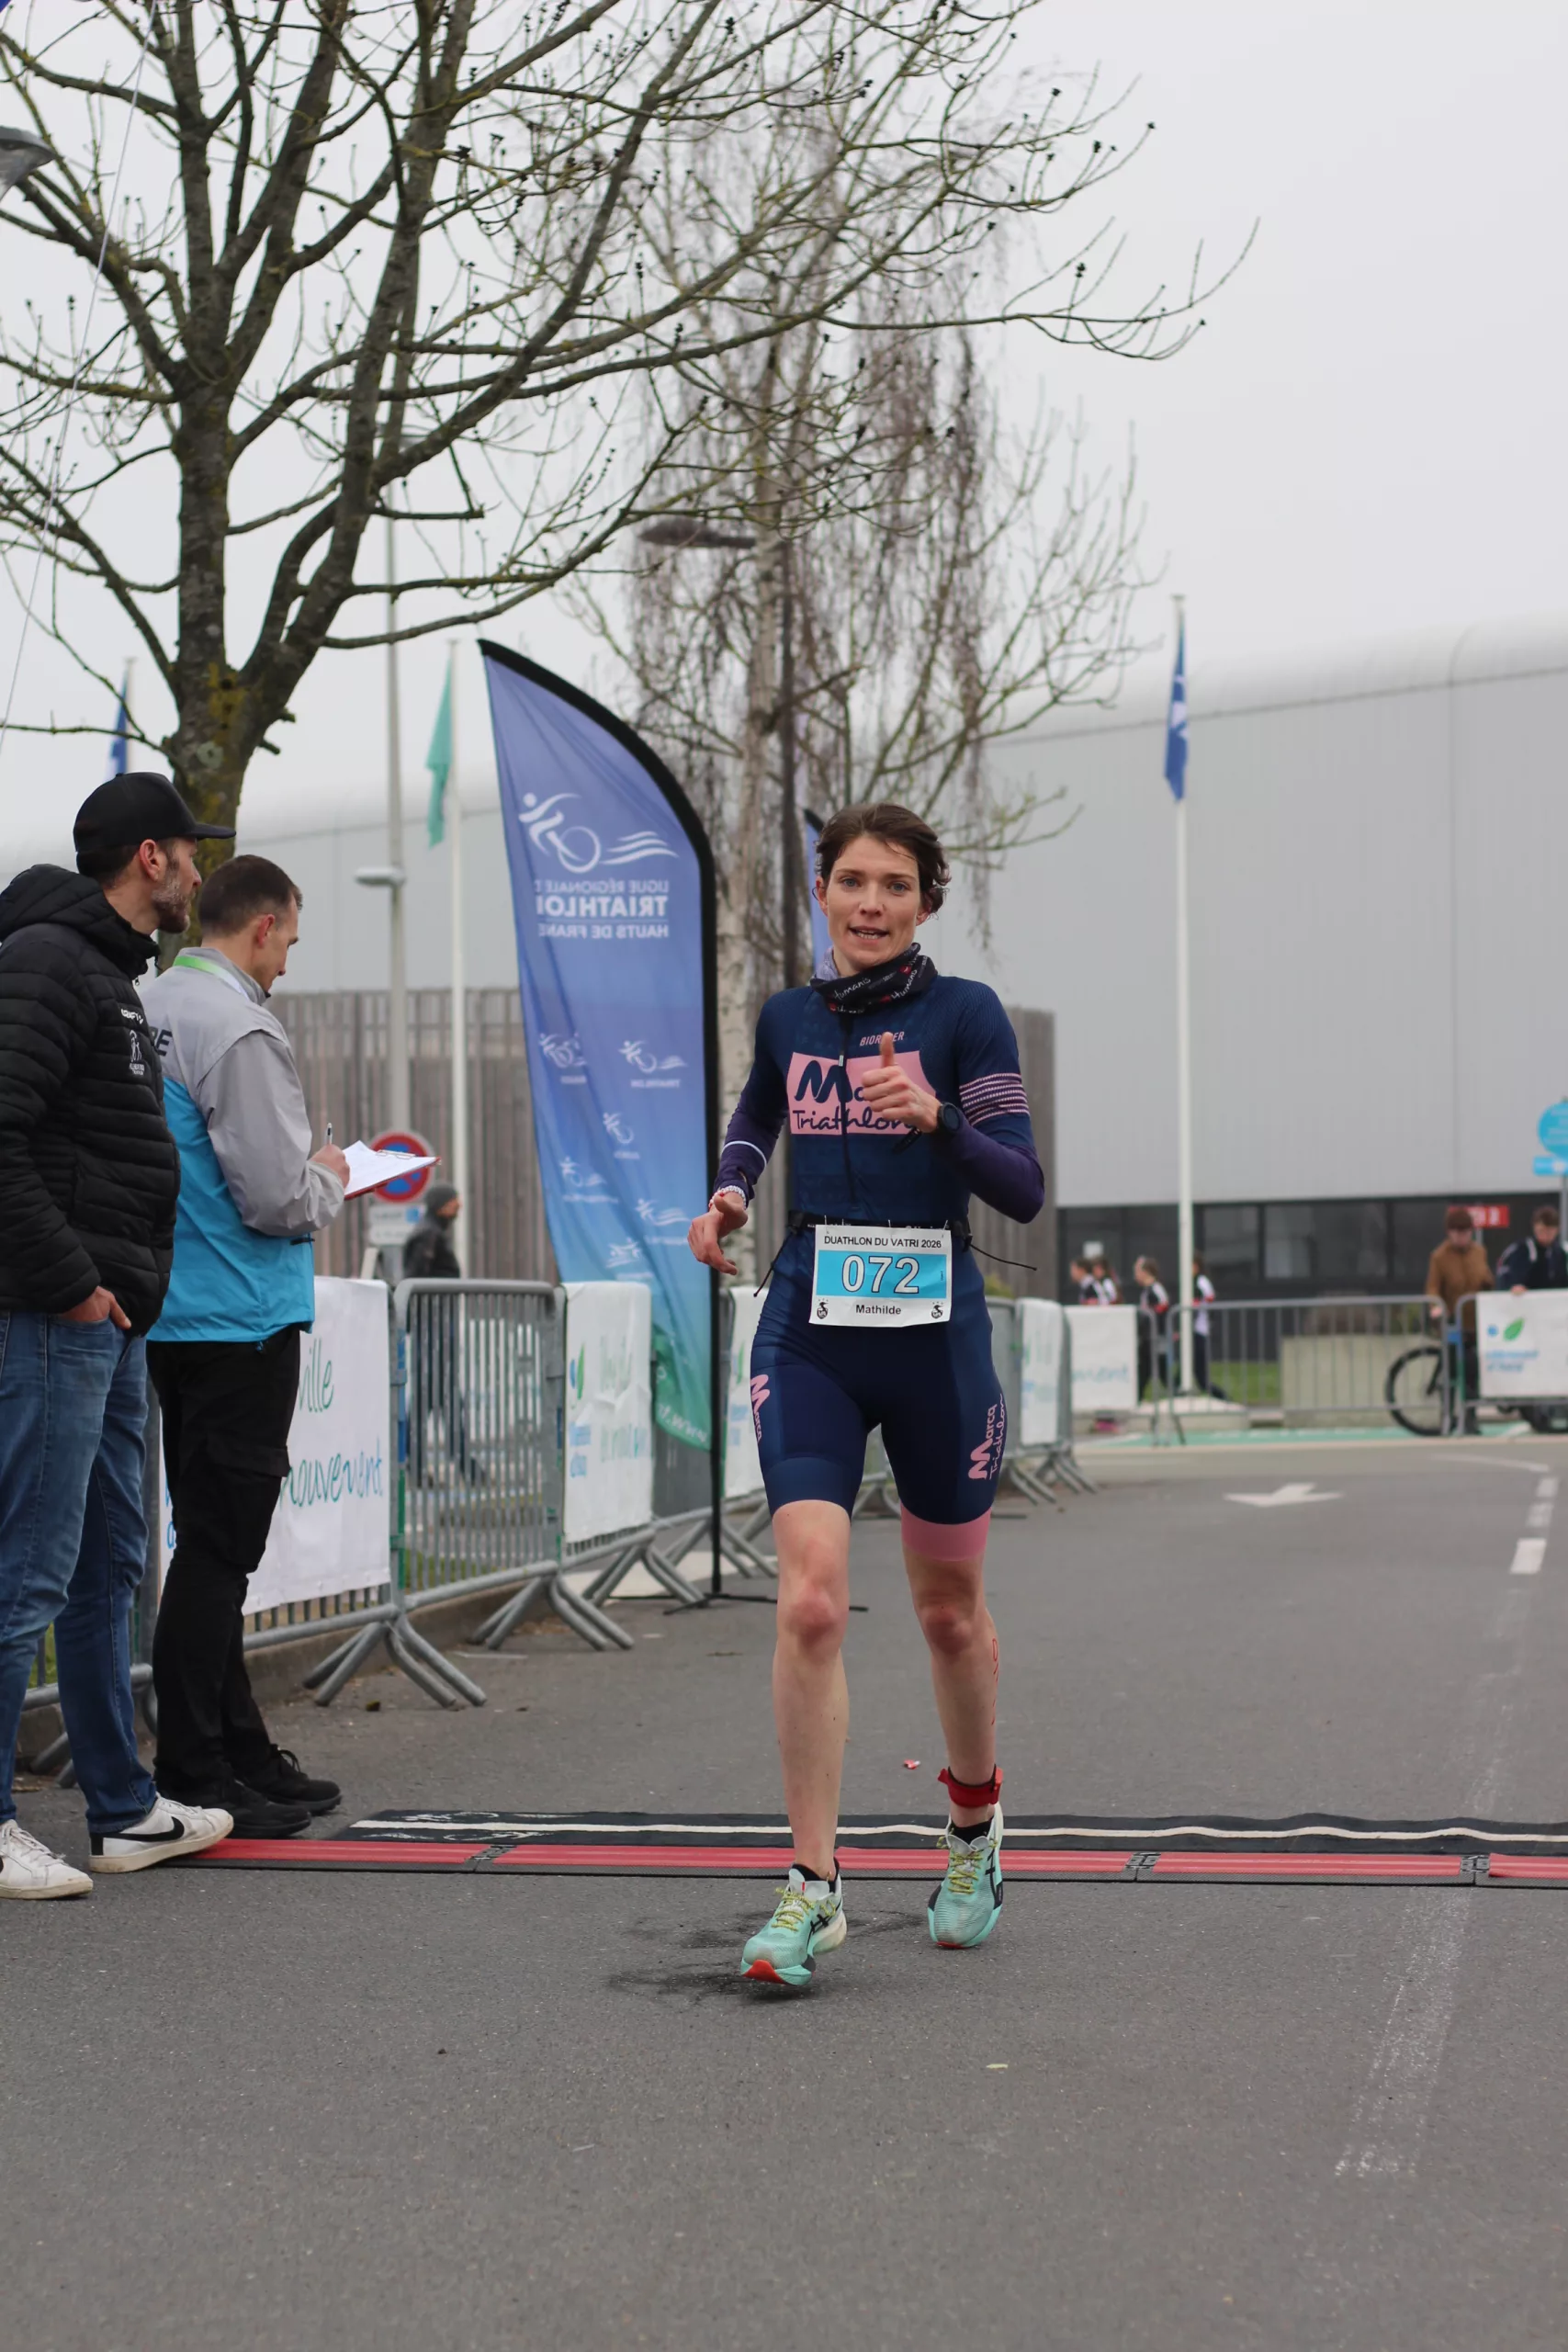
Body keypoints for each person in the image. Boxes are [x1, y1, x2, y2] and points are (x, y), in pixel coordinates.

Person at [687, 800, 1043, 1987]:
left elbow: (1023, 1187)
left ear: (926, 903)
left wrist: (936, 1119)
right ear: (823, 893)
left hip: (935, 1334)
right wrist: (731, 1193)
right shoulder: (788, 1016)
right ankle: (812, 1885)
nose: (871, 903)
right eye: (851, 881)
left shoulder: (964, 1015)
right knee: (808, 1604)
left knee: (948, 1615)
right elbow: (757, 1112)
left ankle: (973, 1827)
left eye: (895, 885)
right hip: (811, 1330)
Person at [0, 775, 238, 1897]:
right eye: (190, 851)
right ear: (151, 857)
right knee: (28, 1571)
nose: (198, 870)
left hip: (109, 1320)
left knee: (107, 1567)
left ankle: (122, 1807)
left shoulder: (112, 975)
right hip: (58, 1317)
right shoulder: (51, 962)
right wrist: (74, 1287)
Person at [141, 855, 348, 1838]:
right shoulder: (240, 1026)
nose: (288, 964)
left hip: (171, 1309)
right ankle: (196, 1767)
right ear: (262, 926)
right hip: (242, 1314)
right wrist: (332, 1173)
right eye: (290, 941)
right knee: (221, 1552)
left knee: (204, 1545)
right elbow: (274, 1197)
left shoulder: (147, 1002)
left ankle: (236, 1747)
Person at [403, 1184, 482, 1483]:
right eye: (453, 1201)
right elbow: (414, 1280)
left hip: (433, 1327)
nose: (459, 1205)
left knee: (434, 1399)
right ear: (441, 1205)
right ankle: (453, 1465)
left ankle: (435, 1465)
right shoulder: (428, 1235)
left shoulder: (429, 1233)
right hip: (432, 1328)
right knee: (436, 1397)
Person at [1495, 1205, 1568, 1432]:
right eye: (1541, 1231)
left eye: (1549, 1231)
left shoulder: (1559, 1253)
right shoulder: (1523, 1250)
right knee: (1530, 1366)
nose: (1545, 1235)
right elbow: (1507, 1277)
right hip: (1528, 1325)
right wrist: (1513, 1287)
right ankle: (1533, 1411)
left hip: (1553, 1325)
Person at [1425, 1205, 1494, 1432]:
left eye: (1465, 1232)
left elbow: (1485, 1276)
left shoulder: (1479, 1252)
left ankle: (1470, 1418)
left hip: (1476, 1322)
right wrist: (1436, 1307)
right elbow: (1433, 1287)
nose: (1461, 1237)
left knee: (1472, 1371)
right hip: (1453, 1322)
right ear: (1449, 1232)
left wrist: (1490, 1285)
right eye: (1457, 1232)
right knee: (1452, 1371)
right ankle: (1447, 1417)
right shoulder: (1439, 1256)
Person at [1134, 1255, 1170, 1398]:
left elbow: (1163, 1310)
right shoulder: (1146, 1291)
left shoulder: (1156, 1290)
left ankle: (1177, 1394)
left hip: (1155, 1338)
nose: (1136, 1275)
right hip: (1147, 1338)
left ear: (1146, 1272)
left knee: (1156, 1370)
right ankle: (1138, 1397)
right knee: (1145, 1370)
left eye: (1138, 1271)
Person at [1192, 1253, 1223, 1396]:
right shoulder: (1200, 1282)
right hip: (1198, 1330)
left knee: (1202, 1379)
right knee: (1194, 1374)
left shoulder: (1200, 1283)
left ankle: (1224, 1398)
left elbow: (1202, 1305)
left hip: (1199, 1331)